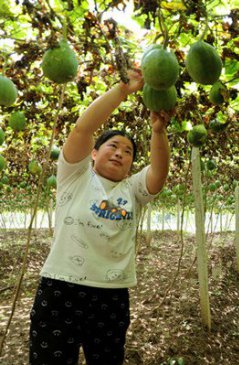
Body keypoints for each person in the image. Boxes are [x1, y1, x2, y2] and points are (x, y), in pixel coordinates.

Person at [29, 69, 172, 365]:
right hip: (61, 287)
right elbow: (82, 129)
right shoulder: (74, 176)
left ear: (132, 163)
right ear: (93, 154)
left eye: (129, 151)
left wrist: (158, 131)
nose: (120, 153)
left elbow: (159, 173)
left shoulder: (132, 190)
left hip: (111, 294)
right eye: (113, 146)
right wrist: (122, 91)